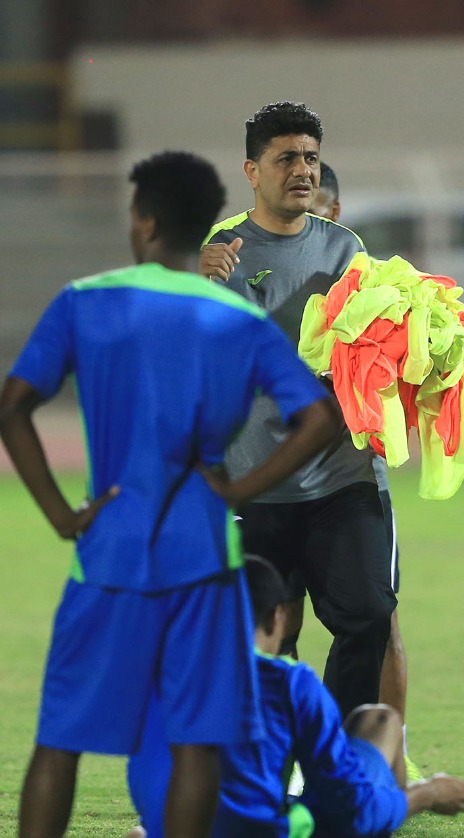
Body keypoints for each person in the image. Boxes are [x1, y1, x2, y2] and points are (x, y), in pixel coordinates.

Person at [0, 151, 338, 837]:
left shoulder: (86, 300)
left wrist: (62, 515)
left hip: (108, 554)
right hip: (204, 559)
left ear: (145, 221)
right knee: (197, 744)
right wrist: (240, 487)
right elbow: (318, 418)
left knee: (60, 741)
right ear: (205, 225)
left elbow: (12, 407)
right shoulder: (237, 319)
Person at [200, 102, 397, 720]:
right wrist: (197, 284)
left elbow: (368, 345)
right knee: (269, 641)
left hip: (340, 477)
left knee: (369, 614)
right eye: (286, 157)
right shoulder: (221, 249)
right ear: (252, 171)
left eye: (310, 157)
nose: (302, 170)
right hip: (257, 479)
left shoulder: (346, 248)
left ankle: (334, 756)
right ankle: (273, 757)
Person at [126, 555, 464, 837]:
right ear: (277, 617)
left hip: (168, 825)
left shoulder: (160, 677)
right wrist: (427, 794)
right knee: (381, 721)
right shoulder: (287, 682)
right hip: (262, 830)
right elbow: (354, 810)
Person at [304, 160, 422, 782]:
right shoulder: (249, 271)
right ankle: (275, 765)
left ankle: (388, 764)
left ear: (336, 212)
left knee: (380, 622)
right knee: (267, 626)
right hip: (268, 484)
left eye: (319, 208)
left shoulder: (372, 286)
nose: (308, 219)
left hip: (352, 480)